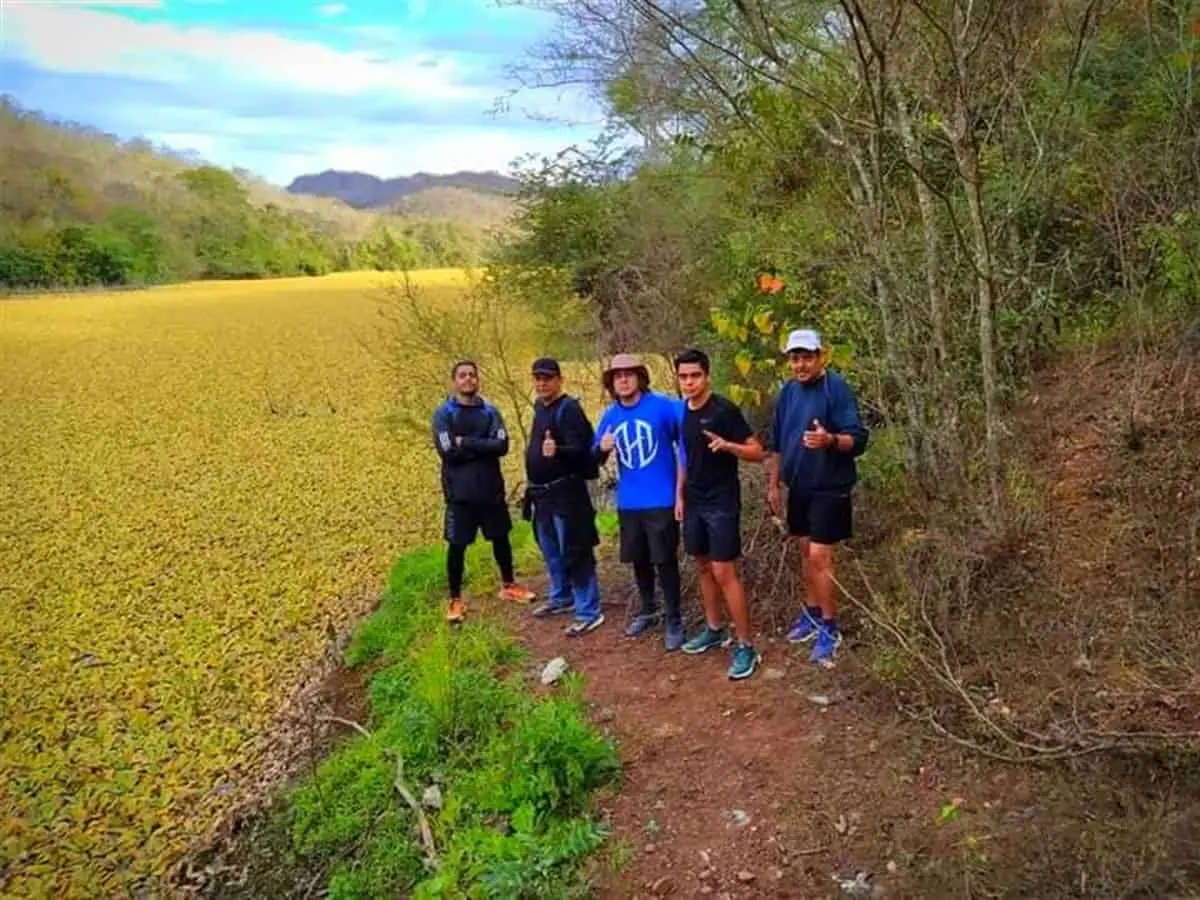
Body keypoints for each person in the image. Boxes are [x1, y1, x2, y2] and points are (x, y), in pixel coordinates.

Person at [765, 329, 869, 667]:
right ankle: (810, 614)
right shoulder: (788, 393)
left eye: (806, 357)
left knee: (820, 555)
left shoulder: (835, 388)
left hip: (830, 485)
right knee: (805, 552)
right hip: (800, 487)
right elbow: (778, 443)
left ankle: (830, 626)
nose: (800, 364)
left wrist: (829, 440)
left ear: (820, 356)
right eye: (794, 358)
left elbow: (858, 439)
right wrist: (773, 486)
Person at [674, 348, 766, 680]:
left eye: (695, 376)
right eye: (683, 376)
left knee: (724, 571)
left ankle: (745, 645)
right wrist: (679, 496)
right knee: (701, 565)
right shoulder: (682, 410)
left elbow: (758, 452)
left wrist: (730, 447)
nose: (689, 382)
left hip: (722, 502)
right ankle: (714, 629)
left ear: (707, 376)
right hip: (694, 500)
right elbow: (684, 455)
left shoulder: (724, 409)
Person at [592, 352, 687, 651]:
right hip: (629, 500)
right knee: (639, 560)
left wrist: (682, 491)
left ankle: (674, 618)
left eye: (629, 374)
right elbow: (593, 458)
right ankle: (649, 610)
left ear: (640, 378)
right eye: (617, 376)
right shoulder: (610, 415)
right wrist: (602, 449)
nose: (623, 380)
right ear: (611, 383)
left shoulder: (663, 407)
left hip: (661, 497)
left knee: (665, 560)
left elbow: (685, 442)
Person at [432, 360, 537, 624]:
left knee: (500, 538)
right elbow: (448, 452)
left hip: (491, 490)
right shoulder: (444, 413)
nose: (468, 379)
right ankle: (455, 599)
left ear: (478, 380)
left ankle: (509, 585)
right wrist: (482, 446)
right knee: (457, 546)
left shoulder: (490, 411)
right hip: (460, 495)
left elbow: (501, 446)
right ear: (454, 381)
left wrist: (465, 441)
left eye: (472, 375)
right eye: (462, 375)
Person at [524, 357, 605, 636]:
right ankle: (562, 596)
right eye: (537, 378)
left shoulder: (569, 409)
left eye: (547, 378)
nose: (542, 383)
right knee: (550, 549)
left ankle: (589, 610)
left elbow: (585, 451)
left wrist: (557, 450)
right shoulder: (539, 407)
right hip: (542, 494)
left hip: (567, 493)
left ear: (560, 380)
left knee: (575, 549)